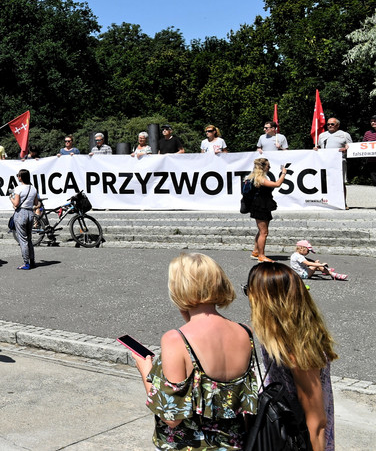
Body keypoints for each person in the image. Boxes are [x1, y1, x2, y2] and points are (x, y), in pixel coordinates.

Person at [129, 253, 257, 451]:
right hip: (235, 444)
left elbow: (171, 418)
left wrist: (145, 370)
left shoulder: (176, 339)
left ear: (179, 288)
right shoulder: (244, 332)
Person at [246, 261, 338, 451]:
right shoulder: (277, 338)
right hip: (287, 431)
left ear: (266, 301)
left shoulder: (296, 350)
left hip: (300, 440)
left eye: (248, 291)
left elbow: (317, 422)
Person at [246, 158, 287, 263]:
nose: (269, 168)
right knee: (264, 233)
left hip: (260, 205)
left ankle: (256, 252)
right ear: (263, 167)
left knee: (261, 231)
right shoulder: (260, 178)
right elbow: (277, 184)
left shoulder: (255, 177)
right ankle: (261, 256)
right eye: (268, 166)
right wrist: (283, 174)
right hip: (260, 206)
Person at [9, 169, 39, 270]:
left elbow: (16, 203)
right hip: (30, 213)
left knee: (22, 239)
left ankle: (26, 263)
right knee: (29, 238)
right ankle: (32, 260)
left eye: (18, 175)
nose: (17, 177)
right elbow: (36, 203)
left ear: (21, 177)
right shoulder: (33, 188)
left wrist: (11, 198)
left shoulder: (18, 188)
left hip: (21, 213)